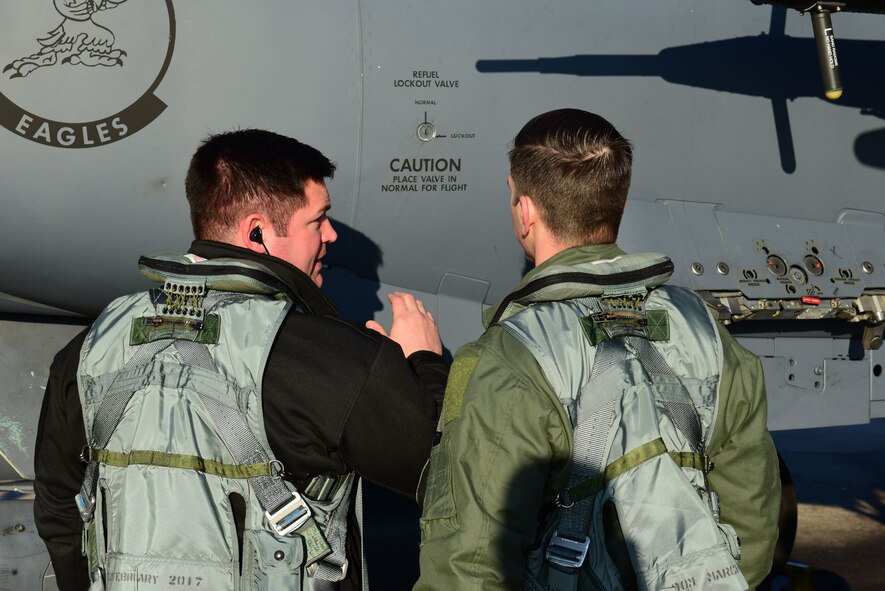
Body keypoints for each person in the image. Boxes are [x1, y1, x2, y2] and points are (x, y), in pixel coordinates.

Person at [34, 129, 448, 590]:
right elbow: (451, 474)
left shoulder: (92, 347)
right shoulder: (330, 357)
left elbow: (59, 508)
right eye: (318, 220)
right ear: (258, 232)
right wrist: (425, 362)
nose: (330, 235)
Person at [415, 109, 780, 590]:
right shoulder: (704, 329)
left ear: (525, 212)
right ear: (620, 205)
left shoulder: (509, 357)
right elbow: (752, 520)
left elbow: (470, 561)